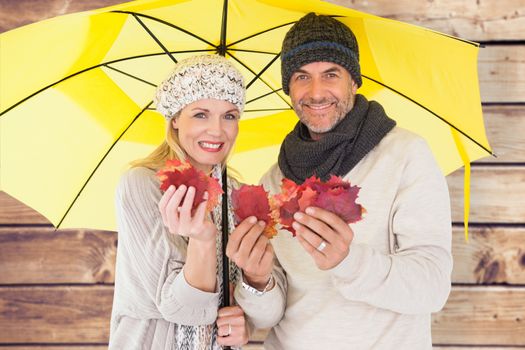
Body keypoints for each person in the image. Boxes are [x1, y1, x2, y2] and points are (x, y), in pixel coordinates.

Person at [227, 13, 453, 349]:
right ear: (288, 87)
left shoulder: (405, 155)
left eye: (330, 74)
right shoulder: (274, 180)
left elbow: (432, 288)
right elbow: (267, 317)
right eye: (302, 76)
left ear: (354, 81)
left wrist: (349, 262)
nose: (316, 92)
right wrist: (257, 281)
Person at [109, 54, 250, 349]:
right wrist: (203, 239)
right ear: (174, 119)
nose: (217, 130)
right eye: (201, 114)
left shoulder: (236, 194)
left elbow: (251, 300)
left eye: (230, 115)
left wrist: (242, 321)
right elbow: (181, 309)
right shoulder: (143, 184)